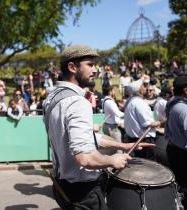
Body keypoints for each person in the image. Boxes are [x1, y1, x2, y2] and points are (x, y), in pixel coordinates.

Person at [43, 45, 154, 210]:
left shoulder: (51, 98)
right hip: (83, 192)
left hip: (62, 186)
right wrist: (113, 160)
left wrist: (122, 146)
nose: (95, 70)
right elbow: (84, 157)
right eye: (90, 64)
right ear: (72, 67)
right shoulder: (77, 102)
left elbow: (84, 137)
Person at [165, 75, 187, 210]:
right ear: (186, 90)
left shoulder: (172, 102)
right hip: (183, 154)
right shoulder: (184, 109)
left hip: (174, 149)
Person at [124, 79, 161, 160]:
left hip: (137, 138)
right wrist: (161, 121)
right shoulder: (139, 103)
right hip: (144, 139)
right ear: (139, 90)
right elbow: (148, 124)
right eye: (143, 86)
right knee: (148, 164)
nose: (146, 88)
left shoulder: (131, 100)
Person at [102, 86, 124, 154]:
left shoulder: (105, 100)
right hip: (112, 127)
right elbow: (118, 114)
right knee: (118, 148)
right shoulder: (109, 101)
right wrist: (129, 114)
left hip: (108, 125)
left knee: (111, 148)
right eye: (113, 90)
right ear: (110, 92)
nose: (114, 92)